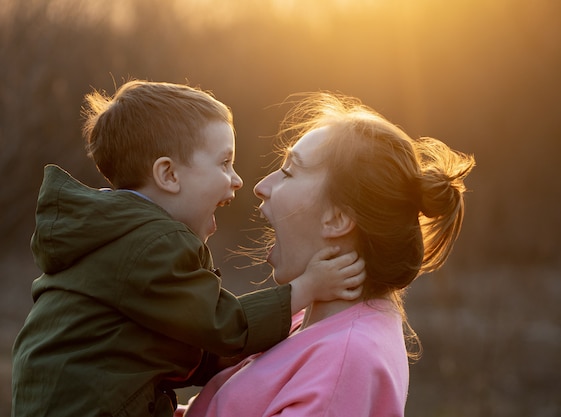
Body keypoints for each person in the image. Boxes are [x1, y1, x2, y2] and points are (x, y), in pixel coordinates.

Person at [11, 81, 365, 417]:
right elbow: (223, 324)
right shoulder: (153, 244)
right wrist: (308, 287)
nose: (238, 180)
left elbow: (166, 338)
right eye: (224, 163)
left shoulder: (116, 234)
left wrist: (219, 360)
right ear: (169, 175)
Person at [178, 92, 475, 417]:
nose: (261, 186)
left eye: (290, 172)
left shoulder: (346, 362)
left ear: (338, 218)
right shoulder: (304, 320)